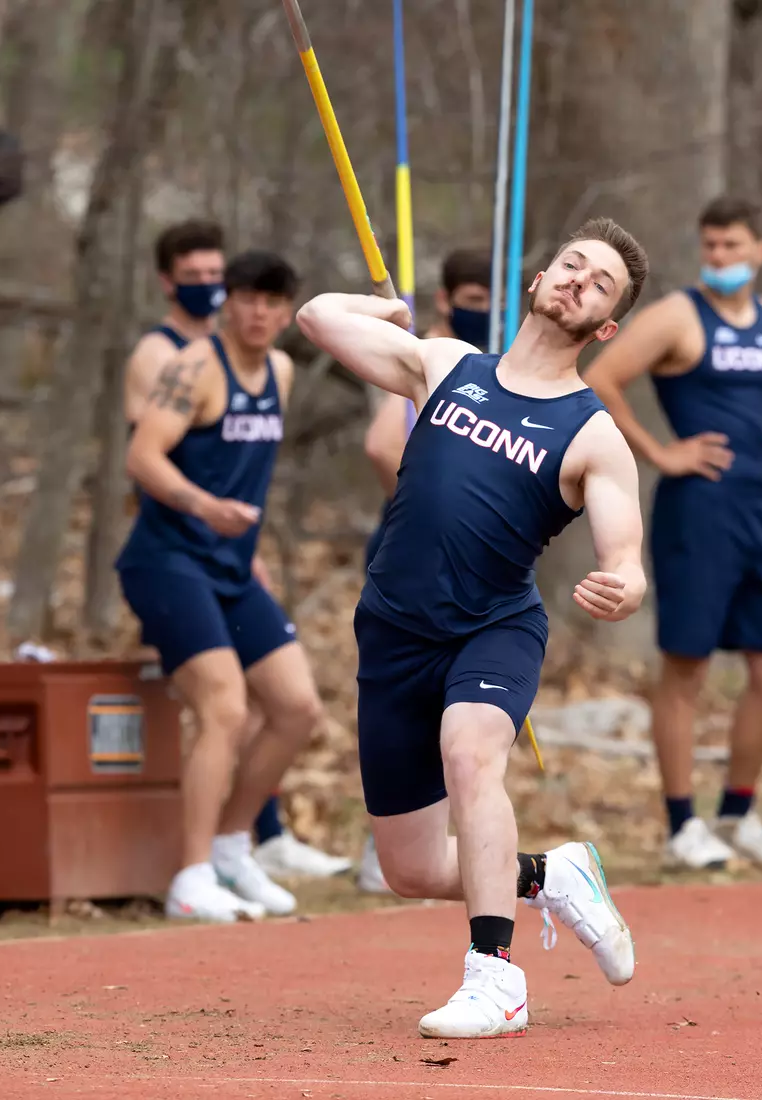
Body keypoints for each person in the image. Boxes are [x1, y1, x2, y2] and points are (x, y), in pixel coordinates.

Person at [296, 217, 650, 1039]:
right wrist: (391, 315)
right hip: (392, 633)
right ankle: (552, 874)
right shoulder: (447, 366)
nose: (579, 280)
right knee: (412, 869)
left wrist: (625, 587)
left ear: (605, 326)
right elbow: (315, 317)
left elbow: (627, 557)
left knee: (470, 752)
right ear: (538, 279)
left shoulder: (593, 435)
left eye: (600, 284)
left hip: (493, 628)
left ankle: (496, 978)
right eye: (572, 264)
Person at [585, 196, 762, 872]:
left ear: (760, 250)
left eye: (732, 245)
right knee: (687, 665)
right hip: (698, 510)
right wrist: (662, 453)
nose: (719, 257)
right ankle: (681, 824)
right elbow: (601, 378)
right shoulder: (677, 317)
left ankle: (738, 814)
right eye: (710, 245)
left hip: (760, 510)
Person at [124, 221, 351, 883]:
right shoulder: (193, 367)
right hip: (168, 560)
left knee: (297, 708)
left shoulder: (281, 369)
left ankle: (232, 845)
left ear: (287, 313)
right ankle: (192, 875)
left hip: (230, 566)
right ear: (230, 301)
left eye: (273, 303)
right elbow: (142, 456)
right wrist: (205, 509)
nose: (258, 313)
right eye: (248, 298)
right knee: (224, 708)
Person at [355, 247, 493, 895]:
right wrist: (431, 504)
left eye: (490, 298)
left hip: (473, 566)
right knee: (411, 708)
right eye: (471, 297)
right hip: (412, 557)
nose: (481, 309)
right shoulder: (431, 355)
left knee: (464, 716)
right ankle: (386, 842)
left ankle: (448, 843)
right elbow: (383, 444)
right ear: (446, 299)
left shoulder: (499, 366)